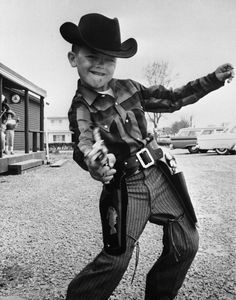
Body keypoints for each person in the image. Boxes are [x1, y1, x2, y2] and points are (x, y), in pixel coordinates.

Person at [60, 13, 234, 300]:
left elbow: (174, 98)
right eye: (92, 56)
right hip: (128, 187)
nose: (101, 64)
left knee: (187, 243)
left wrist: (212, 80)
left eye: (109, 58)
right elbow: (84, 143)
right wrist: (95, 164)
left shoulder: (130, 88)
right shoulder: (81, 107)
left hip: (159, 174)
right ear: (73, 58)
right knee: (117, 258)